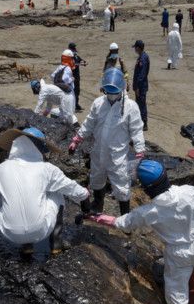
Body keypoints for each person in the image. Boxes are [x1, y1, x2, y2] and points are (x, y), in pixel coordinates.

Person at [91, 161, 194, 304]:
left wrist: (97, 217)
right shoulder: (190, 191)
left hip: (178, 253)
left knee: (177, 294)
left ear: (147, 189)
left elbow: (123, 223)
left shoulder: (148, 212)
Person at [0, 128, 89, 254]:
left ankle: (26, 246)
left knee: (6, 194)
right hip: (39, 231)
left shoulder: (1, 169)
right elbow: (71, 187)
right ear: (38, 148)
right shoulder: (48, 169)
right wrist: (85, 194)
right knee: (57, 191)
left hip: (10, 232)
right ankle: (56, 243)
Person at [68, 69, 145, 216]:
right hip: (98, 151)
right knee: (96, 178)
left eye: (113, 90)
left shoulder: (130, 107)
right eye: (107, 90)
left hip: (118, 155)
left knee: (121, 184)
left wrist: (140, 150)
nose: (110, 94)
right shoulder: (99, 103)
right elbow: (89, 123)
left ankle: (125, 216)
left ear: (121, 89)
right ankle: (98, 204)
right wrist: (77, 139)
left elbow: (137, 130)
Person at [51, 50, 78, 124]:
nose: (73, 61)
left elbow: (52, 76)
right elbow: (64, 79)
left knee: (62, 108)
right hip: (67, 92)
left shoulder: (60, 66)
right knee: (69, 110)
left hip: (60, 91)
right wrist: (71, 79)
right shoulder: (68, 68)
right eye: (72, 59)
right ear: (68, 59)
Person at [131, 40, 150, 131]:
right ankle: (140, 122)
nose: (134, 49)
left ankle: (144, 123)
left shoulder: (143, 58)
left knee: (141, 104)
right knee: (139, 104)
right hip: (140, 86)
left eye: (135, 47)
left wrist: (137, 87)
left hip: (141, 87)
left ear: (138, 48)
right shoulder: (141, 57)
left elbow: (142, 75)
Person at [68, 42, 87, 112]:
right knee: (73, 92)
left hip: (77, 76)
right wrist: (80, 64)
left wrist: (83, 61)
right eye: (73, 48)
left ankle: (76, 105)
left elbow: (79, 59)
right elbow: (73, 64)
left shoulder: (75, 55)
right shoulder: (69, 56)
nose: (75, 49)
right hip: (72, 77)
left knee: (77, 91)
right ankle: (73, 106)